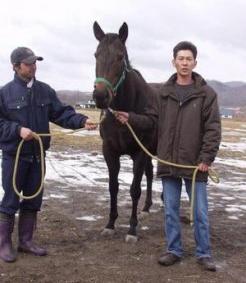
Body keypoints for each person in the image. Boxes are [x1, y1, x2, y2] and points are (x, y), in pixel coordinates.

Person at [115, 41, 221, 271]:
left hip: (195, 166)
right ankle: (174, 249)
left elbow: (213, 129)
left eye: (188, 59)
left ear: (195, 62)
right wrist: (130, 118)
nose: (184, 63)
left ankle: (204, 253)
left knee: (199, 212)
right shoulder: (163, 94)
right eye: (180, 59)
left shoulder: (206, 94)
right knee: (171, 210)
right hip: (168, 162)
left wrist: (206, 158)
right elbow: (152, 121)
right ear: (174, 62)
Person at [0, 47, 97, 262]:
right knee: (10, 200)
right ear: (15, 67)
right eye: (28, 63)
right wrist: (17, 130)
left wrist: (81, 120)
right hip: (14, 158)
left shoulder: (45, 90)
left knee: (33, 200)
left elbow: (61, 113)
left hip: (37, 157)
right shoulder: (4, 93)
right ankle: (4, 244)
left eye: (35, 62)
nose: (33, 66)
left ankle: (25, 242)